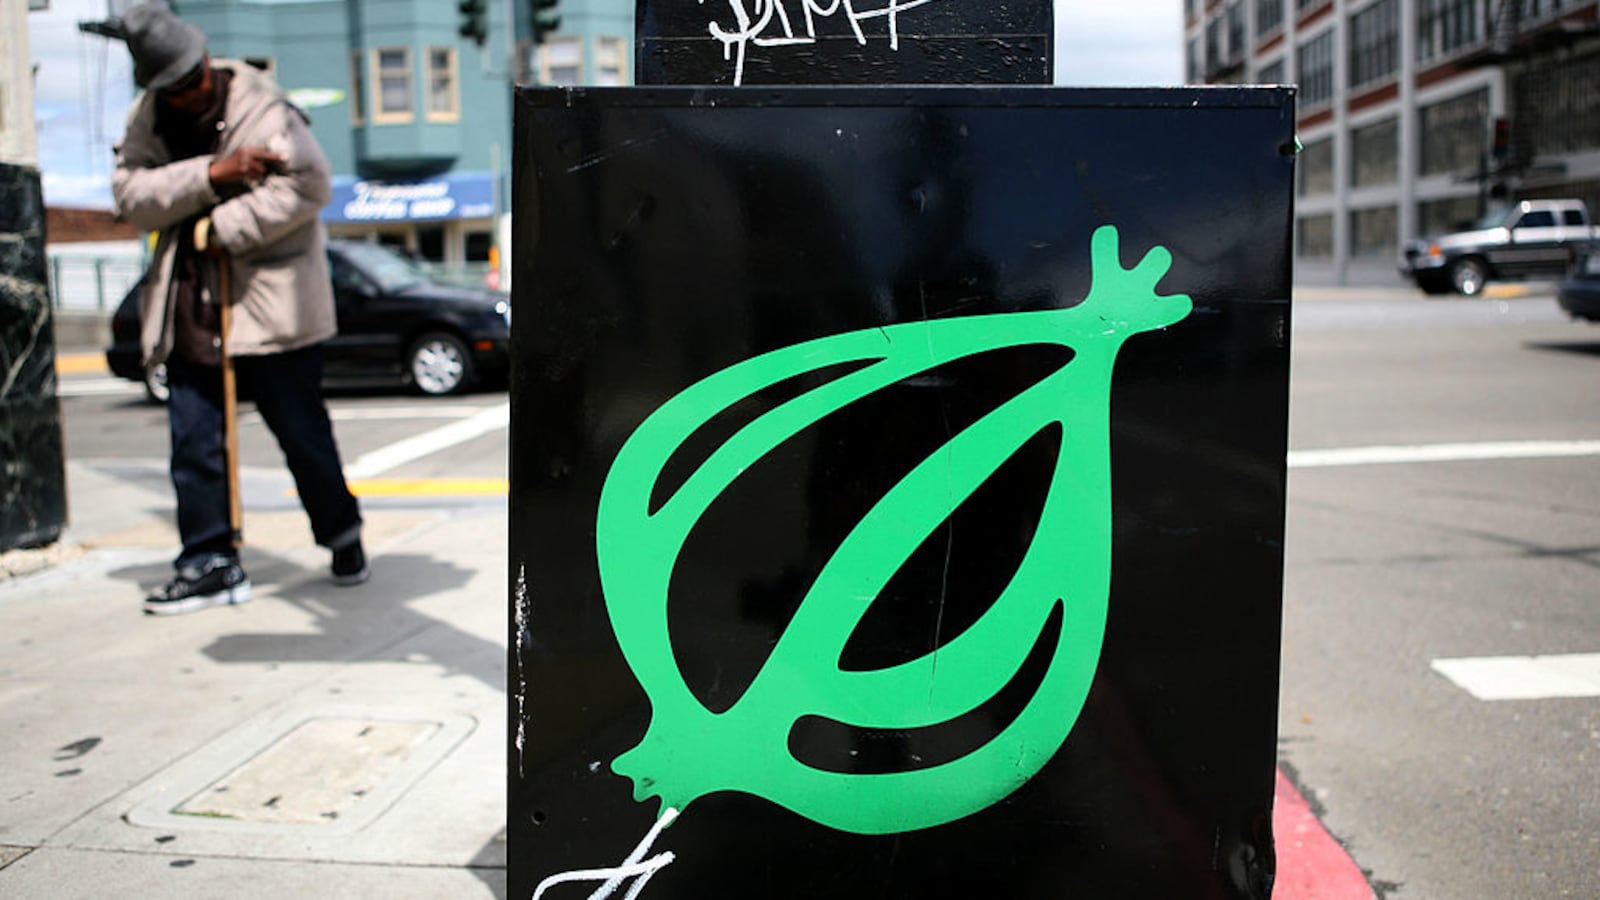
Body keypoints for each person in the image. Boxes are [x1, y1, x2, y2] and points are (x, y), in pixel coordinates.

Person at [113, 2, 368, 615]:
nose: (189, 91)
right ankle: (209, 559)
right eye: (174, 88)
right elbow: (130, 195)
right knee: (194, 435)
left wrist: (221, 225)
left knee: (300, 429)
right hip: (192, 301)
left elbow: (310, 186)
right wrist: (213, 173)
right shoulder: (148, 118)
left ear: (205, 60)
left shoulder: (262, 106)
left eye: (194, 76)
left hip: (272, 302)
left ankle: (341, 532)